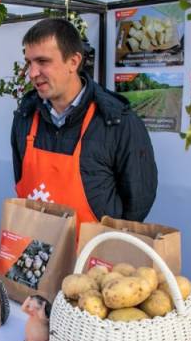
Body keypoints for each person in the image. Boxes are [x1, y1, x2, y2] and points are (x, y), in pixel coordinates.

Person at [11, 18, 158, 226]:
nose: (32, 73)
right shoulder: (25, 117)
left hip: (93, 254)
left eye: (43, 61)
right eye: (29, 62)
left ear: (73, 61)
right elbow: (20, 180)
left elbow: (138, 201)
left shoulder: (117, 122)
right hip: (36, 252)